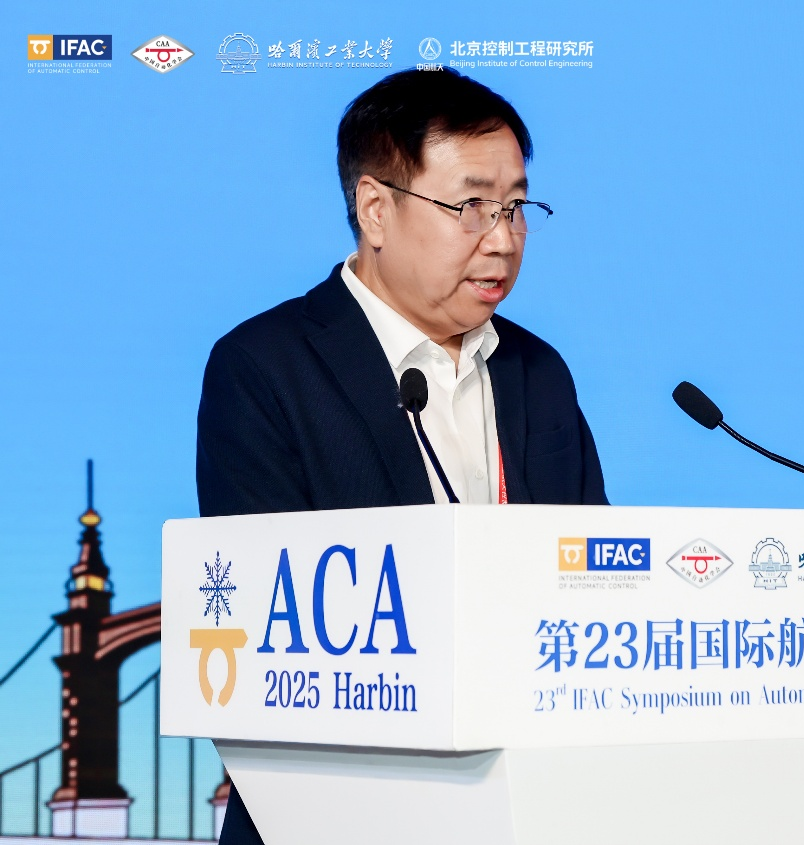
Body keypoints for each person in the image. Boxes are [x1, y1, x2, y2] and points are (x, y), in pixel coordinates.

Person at [196, 68, 607, 845]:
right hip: (334, 813)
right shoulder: (265, 366)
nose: (503, 238)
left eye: (516, 207)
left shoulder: (539, 372)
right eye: (471, 207)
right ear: (375, 209)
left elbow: (593, 579)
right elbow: (268, 639)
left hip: (528, 810)